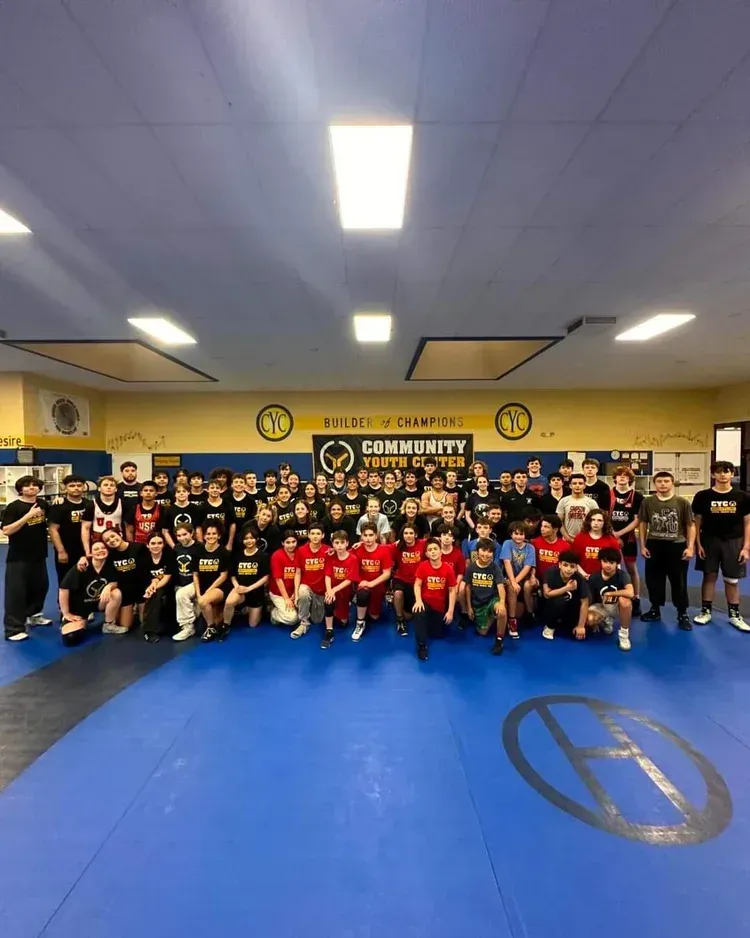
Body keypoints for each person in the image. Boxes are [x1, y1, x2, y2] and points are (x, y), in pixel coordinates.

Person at [692, 461, 750, 631]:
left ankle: (734, 615)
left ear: (732, 474)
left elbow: (747, 523)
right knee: (709, 576)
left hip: (734, 541)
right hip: (709, 540)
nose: (723, 475)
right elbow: (697, 521)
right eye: (718, 472)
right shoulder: (703, 496)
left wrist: (746, 547)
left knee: (732, 580)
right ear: (712, 475)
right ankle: (706, 611)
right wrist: (698, 543)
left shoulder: (742, 497)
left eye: (727, 471)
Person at [638, 471, 695, 630]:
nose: (663, 484)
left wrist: (690, 547)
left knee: (679, 581)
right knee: (653, 579)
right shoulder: (648, 502)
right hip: (654, 544)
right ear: (654, 484)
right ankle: (655, 609)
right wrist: (642, 545)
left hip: (677, 545)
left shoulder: (682, 502)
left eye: (666, 481)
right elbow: (643, 523)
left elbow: (691, 524)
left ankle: (682, 612)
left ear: (672, 483)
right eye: (659, 481)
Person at [2, 475, 50, 641]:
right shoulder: (13, 507)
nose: (32, 488)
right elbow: (7, 530)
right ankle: (13, 629)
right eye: (27, 486)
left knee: (41, 587)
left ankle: (34, 615)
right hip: (18, 557)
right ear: (20, 489)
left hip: (39, 555)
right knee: (16, 593)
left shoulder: (43, 504)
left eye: (35, 485)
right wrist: (28, 516)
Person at [59, 541, 121, 645]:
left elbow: (115, 581)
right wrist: (66, 613)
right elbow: (63, 589)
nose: (100, 550)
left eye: (103, 548)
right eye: (96, 549)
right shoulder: (82, 566)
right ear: (90, 553)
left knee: (116, 593)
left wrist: (109, 586)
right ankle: (82, 620)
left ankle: (109, 624)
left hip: (98, 603)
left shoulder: (110, 565)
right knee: (71, 638)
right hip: (79, 607)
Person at [412, 538, 457, 660]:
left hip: (440, 606)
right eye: (430, 550)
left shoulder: (448, 568)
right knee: (418, 611)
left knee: (437, 634)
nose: (433, 552)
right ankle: (422, 646)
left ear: (440, 551)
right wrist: (418, 600)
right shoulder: (423, 566)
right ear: (426, 554)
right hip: (426, 602)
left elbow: (452, 590)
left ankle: (427, 625)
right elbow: (417, 584)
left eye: (435, 549)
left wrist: (450, 611)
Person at [609, 465, 644, 615]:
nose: (622, 477)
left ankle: (636, 598)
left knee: (631, 568)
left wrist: (620, 534)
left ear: (630, 479)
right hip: (610, 536)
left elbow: (637, 520)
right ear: (615, 478)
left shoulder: (637, 496)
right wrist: (613, 534)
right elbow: (604, 516)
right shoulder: (608, 494)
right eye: (619, 475)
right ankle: (611, 598)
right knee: (611, 568)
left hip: (628, 537)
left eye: (625, 475)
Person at [464, 537, 507, 655]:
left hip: (492, 599)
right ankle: (492, 617)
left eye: (489, 551)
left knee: (502, 611)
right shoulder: (471, 568)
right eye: (483, 550)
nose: (486, 554)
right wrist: (468, 607)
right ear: (477, 551)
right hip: (478, 603)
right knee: (482, 632)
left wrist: (502, 602)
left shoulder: (495, 568)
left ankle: (499, 640)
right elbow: (467, 587)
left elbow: (500, 587)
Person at [222, 526, 269, 631]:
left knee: (253, 624)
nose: (249, 541)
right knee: (229, 602)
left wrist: (249, 588)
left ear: (256, 539)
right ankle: (225, 626)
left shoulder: (263, 556)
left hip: (255, 591)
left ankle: (256, 609)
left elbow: (265, 577)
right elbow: (233, 575)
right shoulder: (238, 555)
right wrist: (237, 586)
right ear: (243, 540)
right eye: (246, 538)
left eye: (251, 538)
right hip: (240, 590)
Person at [587, 546, 634, 651]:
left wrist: (611, 594)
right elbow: (588, 599)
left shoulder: (622, 575)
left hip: (616, 606)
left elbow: (631, 592)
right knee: (590, 619)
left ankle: (624, 635)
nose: (608, 565)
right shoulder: (594, 577)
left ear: (617, 564)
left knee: (625, 601)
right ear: (601, 562)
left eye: (611, 563)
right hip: (601, 606)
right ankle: (606, 620)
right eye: (605, 562)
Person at [352, 522, 392, 641]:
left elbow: (387, 574)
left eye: (371, 535)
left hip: (377, 586)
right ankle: (360, 623)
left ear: (376, 536)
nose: (368, 538)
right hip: (361, 585)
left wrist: (371, 584)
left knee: (374, 617)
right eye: (365, 535)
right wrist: (333, 550)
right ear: (361, 537)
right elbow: (342, 552)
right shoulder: (356, 549)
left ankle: (372, 602)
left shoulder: (383, 551)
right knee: (362, 594)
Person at [99, 529, 142, 634]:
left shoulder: (138, 548)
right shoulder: (111, 555)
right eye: (107, 540)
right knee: (125, 625)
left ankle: (138, 608)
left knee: (143, 621)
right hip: (126, 592)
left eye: (113, 536)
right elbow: (112, 577)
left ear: (120, 534)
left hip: (141, 589)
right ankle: (122, 610)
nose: (112, 540)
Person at [542, 550, 591, 642]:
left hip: (570, 609)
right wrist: (567, 588)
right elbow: (547, 594)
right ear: (560, 565)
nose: (568, 569)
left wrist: (581, 626)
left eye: (572, 566)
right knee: (558, 601)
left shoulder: (579, 578)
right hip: (551, 607)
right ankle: (550, 626)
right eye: (565, 565)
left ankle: (570, 624)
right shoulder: (550, 572)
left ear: (576, 568)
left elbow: (585, 602)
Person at [48, 473, 88, 586]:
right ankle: (63, 604)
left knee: (85, 580)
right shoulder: (59, 506)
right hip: (66, 550)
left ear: (84, 487)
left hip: (85, 549)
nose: (76, 488)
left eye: (79, 485)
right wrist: (61, 551)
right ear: (65, 488)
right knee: (65, 581)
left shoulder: (89, 504)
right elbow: (53, 530)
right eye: (72, 485)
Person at [321, 530, 359, 648]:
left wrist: (334, 590)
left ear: (347, 543)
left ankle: (341, 611)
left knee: (343, 623)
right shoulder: (330, 556)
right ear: (332, 544)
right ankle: (329, 631)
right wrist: (329, 590)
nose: (339, 546)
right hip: (332, 588)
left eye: (342, 543)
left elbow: (349, 580)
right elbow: (327, 575)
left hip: (344, 590)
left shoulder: (353, 559)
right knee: (328, 601)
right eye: (336, 543)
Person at [194, 522, 231, 642]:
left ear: (219, 536)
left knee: (203, 601)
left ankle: (210, 628)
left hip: (219, 588)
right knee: (203, 604)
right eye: (208, 534)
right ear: (204, 536)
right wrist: (198, 593)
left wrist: (206, 592)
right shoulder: (198, 552)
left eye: (214, 534)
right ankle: (214, 624)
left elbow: (223, 576)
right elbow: (195, 575)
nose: (211, 536)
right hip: (204, 588)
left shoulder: (224, 552)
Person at [136, 531, 175, 643]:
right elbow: (146, 577)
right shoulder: (143, 558)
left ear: (163, 544)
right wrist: (152, 586)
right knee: (155, 595)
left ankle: (170, 623)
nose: (156, 546)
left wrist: (155, 585)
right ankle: (149, 631)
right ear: (148, 545)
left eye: (159, 543)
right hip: (148, 586)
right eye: (153, 543)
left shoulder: (169, 555)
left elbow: (167, 577)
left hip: (167, 585)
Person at [291, 521, 327, 638]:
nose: (315, 536)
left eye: (318, 533)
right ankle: (304, 622)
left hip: (322, 591)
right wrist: (296, 593)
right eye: (312, 533)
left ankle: (312, 608)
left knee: (317, 620)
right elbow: (297, 573)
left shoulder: (328, 550)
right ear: (308, 535)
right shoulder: (301, 551)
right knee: (303, 592)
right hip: (307, 587)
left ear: (323, 535)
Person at [500, 521, 535, 639]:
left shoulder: (530, 548)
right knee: (511, 587)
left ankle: (529, 613)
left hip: (523, 578)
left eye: (521, 534)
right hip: (509, 577)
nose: (519, 537)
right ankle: (512, 620)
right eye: (516, 534)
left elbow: (527, 567)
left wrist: (516, 581)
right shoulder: (507, 543)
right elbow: (507, 563)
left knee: (525, 585)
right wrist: (513, 582)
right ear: (511, 534)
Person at [391, 524, 425, 637]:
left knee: (411, 616)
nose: (408, 536)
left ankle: (396, 606)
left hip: (418, 582)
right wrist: (360, 543)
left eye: (411, 533)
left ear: (415, 535)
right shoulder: (397, 546)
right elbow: (378, 547)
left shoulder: (423, 544)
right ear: (402, 535)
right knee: (398, 594)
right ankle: (400, 619)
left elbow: (438, 541)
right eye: (406, 533)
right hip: (401, 579)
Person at [173, 522, 203, 641]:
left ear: (191, 533)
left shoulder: (200, 548)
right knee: (180, 594)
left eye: (184, 534)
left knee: (182, 595)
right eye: (178, 536)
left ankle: (188, 627)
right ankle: (188, 623)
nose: (182, 538)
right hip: (181, 581)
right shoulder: (177, 548)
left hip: (197, 581)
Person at [572, 510, 622, 579]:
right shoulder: (579, 538)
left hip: (604, 578)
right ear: (589, 521)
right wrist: (583, 574)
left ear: (604, 523)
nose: (596, 523)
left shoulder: (611, 540)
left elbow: (617, 563)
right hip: (582, 576)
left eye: (599, 520)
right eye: (593, 520)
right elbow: (574, 560)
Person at [82, 475, 124, 556]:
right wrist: (87, 551)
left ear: (116, 489)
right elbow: (85, 528)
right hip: (98, 541)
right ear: (99, 488)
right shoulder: (91, 505)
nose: (109, 487)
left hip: (117, 540)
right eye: (105, 485)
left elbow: (128, 527)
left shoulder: (122, 504)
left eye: (112, 485)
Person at [269, 532, 300, 628]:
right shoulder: (277, 556)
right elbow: (278, 579)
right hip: (279, 593)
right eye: (288, 542)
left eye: (293, 541)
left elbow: (300, 575)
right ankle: (274, 613)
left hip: (295, 591)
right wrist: (286, 599)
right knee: (292, 619)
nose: (291, 545)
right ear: (283, 543)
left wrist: (296, 593)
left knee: (306, 615)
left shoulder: (300, 553)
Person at [557, 474, 598, 542]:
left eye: (580, 483)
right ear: (570, 486)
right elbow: (559, 522)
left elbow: (596, 522)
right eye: (574, 483)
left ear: (584, 486)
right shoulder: (563, 501)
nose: (577, 485)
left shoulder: (592, 502)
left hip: (586, 539)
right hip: (567, 540)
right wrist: (567, 537)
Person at [163, 483, 205, 547]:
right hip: (175, 545)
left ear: (188, 492)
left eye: (184, 491)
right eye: (178, 492)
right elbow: (165, 532)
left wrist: (200, 545)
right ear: (175, 494)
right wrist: (174, 547)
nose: (181, 493)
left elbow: (198, 528)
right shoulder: (168, 510)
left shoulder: (196, 508)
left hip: (193, 545)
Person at [203, 480, 237, 549]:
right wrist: (201, 543)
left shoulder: (228, 504)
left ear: (221, 490)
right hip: (207, 542)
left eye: (217, 488)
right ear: (207, 490)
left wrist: (230, 543)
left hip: (225, 542)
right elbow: (199, 527)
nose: (215, 490)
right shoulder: (202, 506)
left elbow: (232, 524)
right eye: (212, 488)